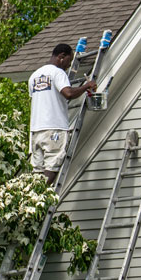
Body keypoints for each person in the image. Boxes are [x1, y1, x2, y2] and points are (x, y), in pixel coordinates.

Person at [28, 43, 96, 183]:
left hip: (36, 130)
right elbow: (68, 93)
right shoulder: (58, 73)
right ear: (61, 57)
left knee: (37, 171)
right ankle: (40, 198)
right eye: (68, 62)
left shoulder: (33, 76)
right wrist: (86, 86)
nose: (68, 66)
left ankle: (32, 200)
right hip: (54, 128)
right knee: (52, 166)